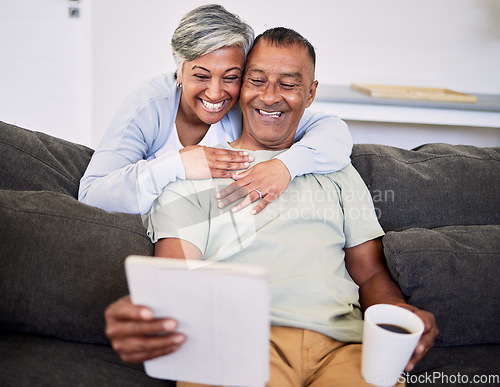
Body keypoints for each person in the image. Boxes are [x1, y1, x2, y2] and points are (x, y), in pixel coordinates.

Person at [105, 27, 438, 386]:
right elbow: (174, 274)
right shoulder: (194, 173)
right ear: (241, 86)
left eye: (288, 84)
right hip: (236, 344)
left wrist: (397, 311)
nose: (269, 97)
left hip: (347, 347)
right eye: (257, 80)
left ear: (310, 94)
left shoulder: (336, 168)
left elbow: (370, 272)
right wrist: (148, 313)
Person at [78, 4, 353, 215]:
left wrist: (285, 167)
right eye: (201, 76)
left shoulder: (248, 108)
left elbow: (333, 132)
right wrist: (178, 164)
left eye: (231, 77)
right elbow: (91, 195)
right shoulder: (149, 108)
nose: (216, 93)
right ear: (179, 71)